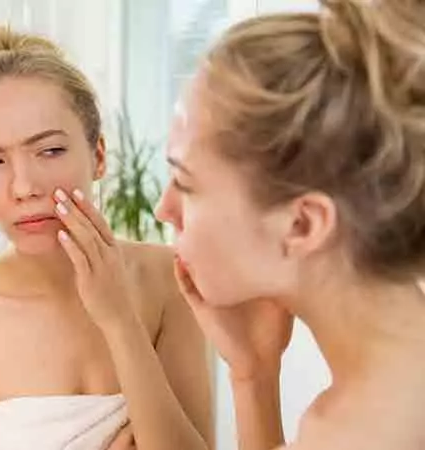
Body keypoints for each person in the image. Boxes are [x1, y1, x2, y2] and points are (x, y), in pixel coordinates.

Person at [0, 24, 215, 450]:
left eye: (50, 150)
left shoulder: (167, 279)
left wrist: (120, 321)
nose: (23, 187)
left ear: (97, 156)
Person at [154, 0, 425, 449]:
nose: (165, 209)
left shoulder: (368, 433)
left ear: (302, 224)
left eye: (185, 182)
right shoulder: (378, 398)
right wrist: (253, 374)